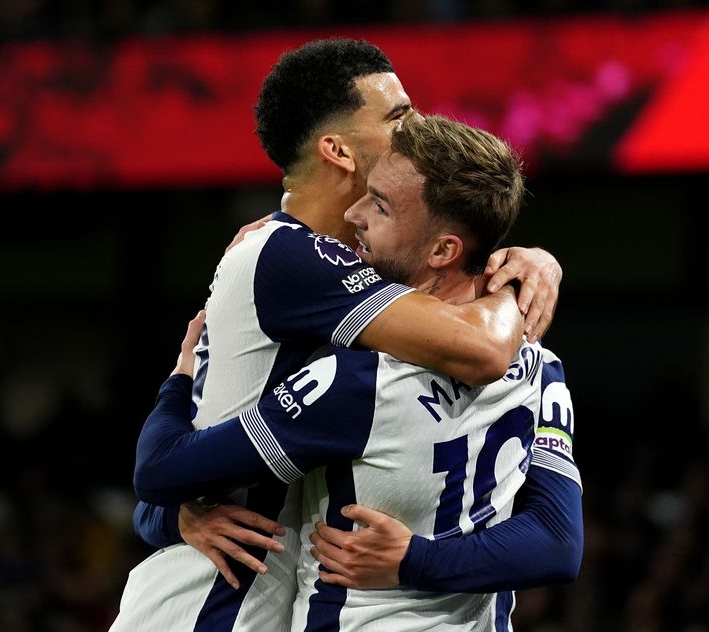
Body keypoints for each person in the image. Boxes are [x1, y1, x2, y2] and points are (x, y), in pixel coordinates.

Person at [111, 39, 562, 631]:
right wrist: (525, 276)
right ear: (338, 151)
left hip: (258, 593)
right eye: (399, 116)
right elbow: (483, 348)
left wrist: (170, 514)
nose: (417, 125)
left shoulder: (330, 259)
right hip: (207, 604)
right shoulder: (288, 257)